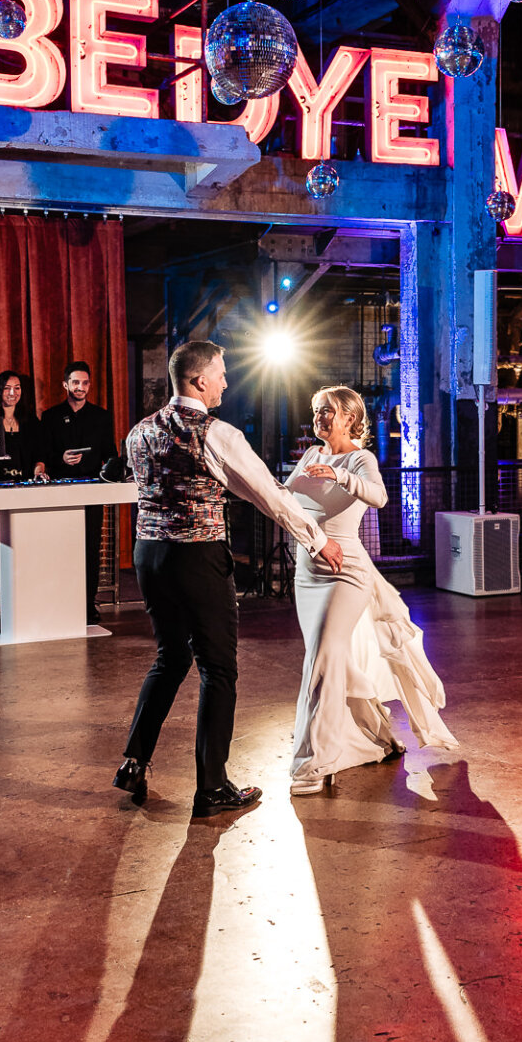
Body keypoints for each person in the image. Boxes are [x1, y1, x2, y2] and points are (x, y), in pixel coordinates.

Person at [114, 339, 343, 818]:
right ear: (199, 380)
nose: (225, 381)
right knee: (218, 669)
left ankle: (135, 760)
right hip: (197, 556)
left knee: (170, 656)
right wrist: (317, 540)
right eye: (220, 373)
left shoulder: (139, 432)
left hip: (149, 555)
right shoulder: (218, 433)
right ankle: (212, 787)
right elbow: (269, 495)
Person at [285, 386, 456, 798]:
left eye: (327, 410)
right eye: (316, 410)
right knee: (330, 660)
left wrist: (341, 475)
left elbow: (378, 497)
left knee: (323, 660)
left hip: (346, 573)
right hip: (307, 572)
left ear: (348, 416)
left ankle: (315, 761)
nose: (319, 417)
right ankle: (378, 736)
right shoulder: (311, 454)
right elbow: (287, 498)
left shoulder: (360, 458)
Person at [36, 361, 118, 626]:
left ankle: (87, 604)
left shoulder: (102, 416)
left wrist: (109, 467)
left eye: (84, 383)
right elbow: (43, 454)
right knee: (60, 548)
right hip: (60, 489)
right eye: (75, 382)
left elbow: (110, 453)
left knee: (91, 549)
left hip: (92, 490)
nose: (80, 387)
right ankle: (59, 601)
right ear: (65, 385)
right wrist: (59, 459)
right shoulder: (50, 416)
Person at [0, 369, 38, 481]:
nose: (13, 393)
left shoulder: (31, 420)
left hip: (25, 486)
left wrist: (39, 472)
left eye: (17, 388)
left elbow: (40, 454)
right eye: (7, 388)